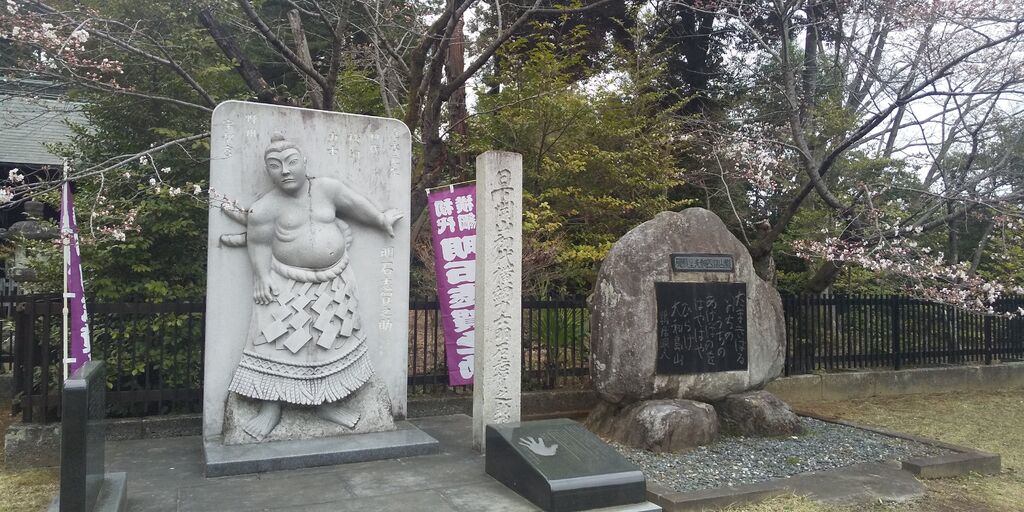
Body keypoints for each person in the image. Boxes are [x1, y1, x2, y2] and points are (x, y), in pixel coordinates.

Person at [221, 133, 402, 441]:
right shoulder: (264, 208)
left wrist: (380, 219)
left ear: (304, 162)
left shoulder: (327, 189)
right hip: (284, 285)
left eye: (291, 162)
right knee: (276, 342)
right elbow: (260, 243)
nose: (285, 171)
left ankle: (327, 403)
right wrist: (262, 277)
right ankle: (270, 408)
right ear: (268, 171)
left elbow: (355, 205)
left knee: (330, 341)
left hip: (334, 282)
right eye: (275, 166)